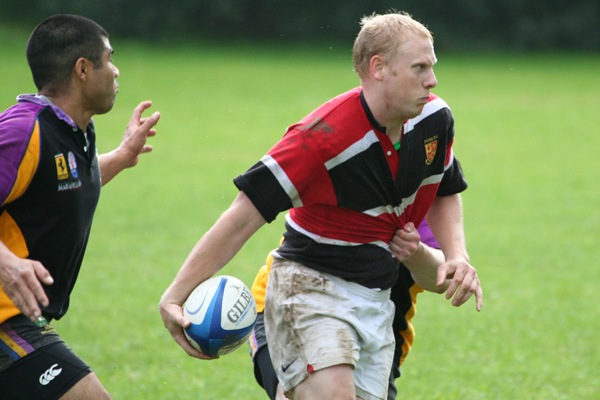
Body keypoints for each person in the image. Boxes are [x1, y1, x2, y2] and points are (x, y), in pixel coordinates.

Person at [160, 11, 482, 400]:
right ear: (379, 68)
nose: (432, 80)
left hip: (376, 299)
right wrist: (176, 294)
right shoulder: (320, 139)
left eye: (432, 66)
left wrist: (457, 255)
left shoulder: (435, 118)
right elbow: (242, 216)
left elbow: (445, 186)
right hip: (311, 286)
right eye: (420, 68)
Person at [0, 14, 160, 399]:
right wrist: (7, 263)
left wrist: (121, 156)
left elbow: (59, 186)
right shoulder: (22, 132)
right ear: (83, 69)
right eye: (109, 59)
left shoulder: (72, 131)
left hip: (23, 318)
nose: (116, 71)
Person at [249, 220, 447, 400]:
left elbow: (443, 277)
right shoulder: (334, 190)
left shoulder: (425, 203)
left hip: (379, 334)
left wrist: (416, 252)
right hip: (287, 307)